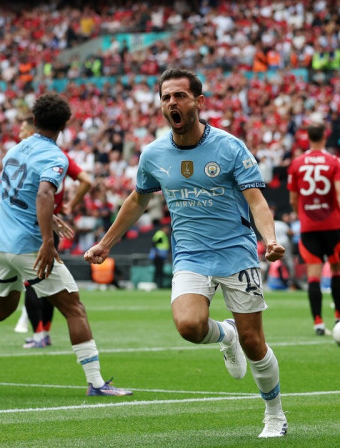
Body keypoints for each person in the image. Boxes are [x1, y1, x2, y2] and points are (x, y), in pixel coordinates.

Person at [85, 68, 287, 438]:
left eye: (179, 95)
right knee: (189, 326)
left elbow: (256, 201)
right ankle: (225, 336)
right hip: (191, 256)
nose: (172, 103)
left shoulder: (229, 147)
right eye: (165, 97)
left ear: (198, 102)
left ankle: (274, 413)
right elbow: (137, 200)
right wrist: (105, 243)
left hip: (237, 253)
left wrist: (269, 238)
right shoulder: (154, 153)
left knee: (255, 343)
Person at [0, 93, 131, 397]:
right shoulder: (55, 157)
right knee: (75, 308)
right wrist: (48, 242)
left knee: (3, 307)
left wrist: (50, 219)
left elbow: (19, 196)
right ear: (65, 125)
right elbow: (42, 195)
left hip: (0, 243)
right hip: (28, 246)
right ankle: (96, 383)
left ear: (34, 121)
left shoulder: (12, 152)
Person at [12, 114, 93, 349]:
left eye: (22, 131)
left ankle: (39, 334)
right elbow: (86, 181)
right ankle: (43, 333)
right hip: (51, 226)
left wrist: (67, 206)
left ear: (32, 131)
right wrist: (69, 205)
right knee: (46, 280)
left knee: (33, 281)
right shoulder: (60, 156)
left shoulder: (31, 156)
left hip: (35, 226)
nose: (19, 135)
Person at [287, 122, 340, 336]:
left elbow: (293, 198)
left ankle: (317, 322)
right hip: (333, 225)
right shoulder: (334, 161)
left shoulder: (297, 163)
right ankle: (339, 318)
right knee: (336, 270)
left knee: (314, 275)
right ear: (325, 137)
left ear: (307, 138)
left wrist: (301, 214)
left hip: (309, 226)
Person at [150, 222, 170, 288]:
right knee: (158, 271)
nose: (167, 231)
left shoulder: (162, 235)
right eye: (166, 229)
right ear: (163, 228)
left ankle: (158, 285)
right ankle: (157, 285)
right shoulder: (160, 234)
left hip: (160, 256)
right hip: (158, 256)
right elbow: (154, 244)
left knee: (159, 271)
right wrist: (156, 253)